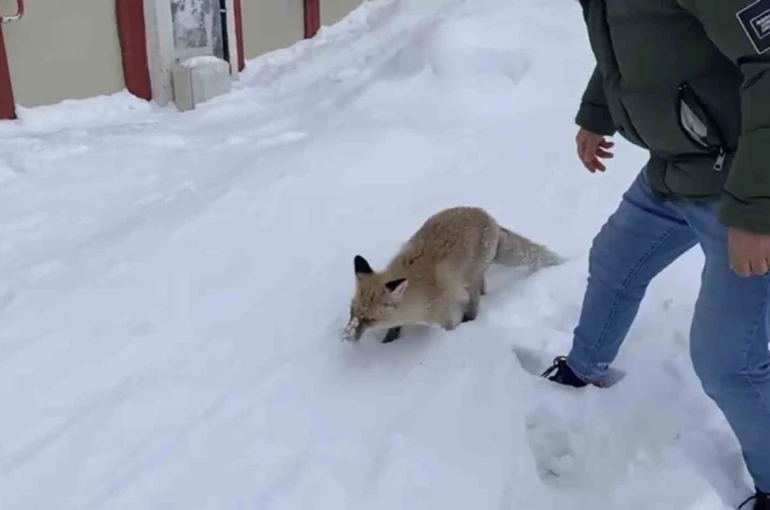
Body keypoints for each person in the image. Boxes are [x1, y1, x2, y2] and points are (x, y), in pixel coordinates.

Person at [542, 1, 770, 508]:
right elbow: (625, 45)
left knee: (729, 360)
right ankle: (583, 370)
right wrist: (597, 113)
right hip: (676, 172)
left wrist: (756, 213)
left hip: (743, 184)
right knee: (614, 261)